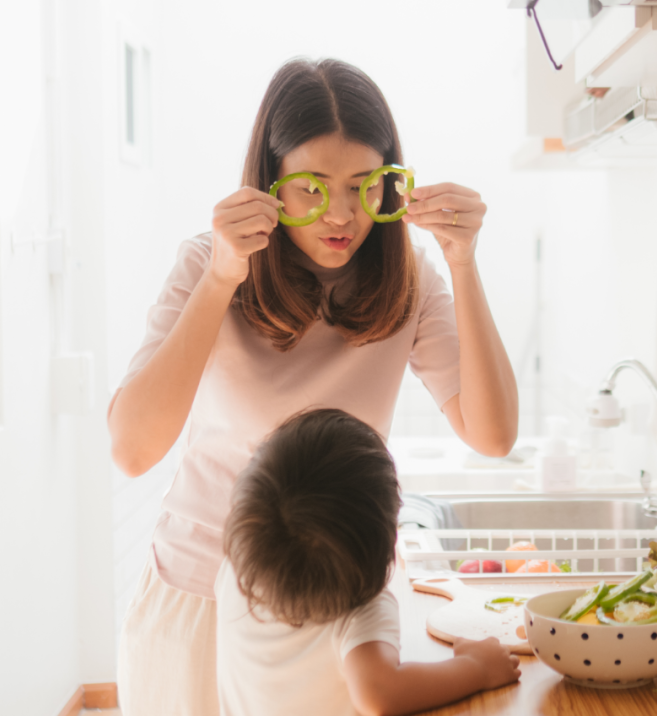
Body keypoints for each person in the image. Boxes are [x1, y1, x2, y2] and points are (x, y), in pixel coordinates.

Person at [108, 57, 518, 716]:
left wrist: (463, 264)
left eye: (365, 186)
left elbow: (493, 435)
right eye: (314, 187)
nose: (343, 215)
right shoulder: (207, 263)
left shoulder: (407, 280)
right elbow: (131, 449)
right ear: (270, 184)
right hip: (203, 599)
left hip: (339, 607)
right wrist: (220, 279)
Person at [216, 409, 520, 716]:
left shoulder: (235, 574)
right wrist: (477, 668)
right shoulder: (362, 611)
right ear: (388, 541)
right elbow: (379, 695)